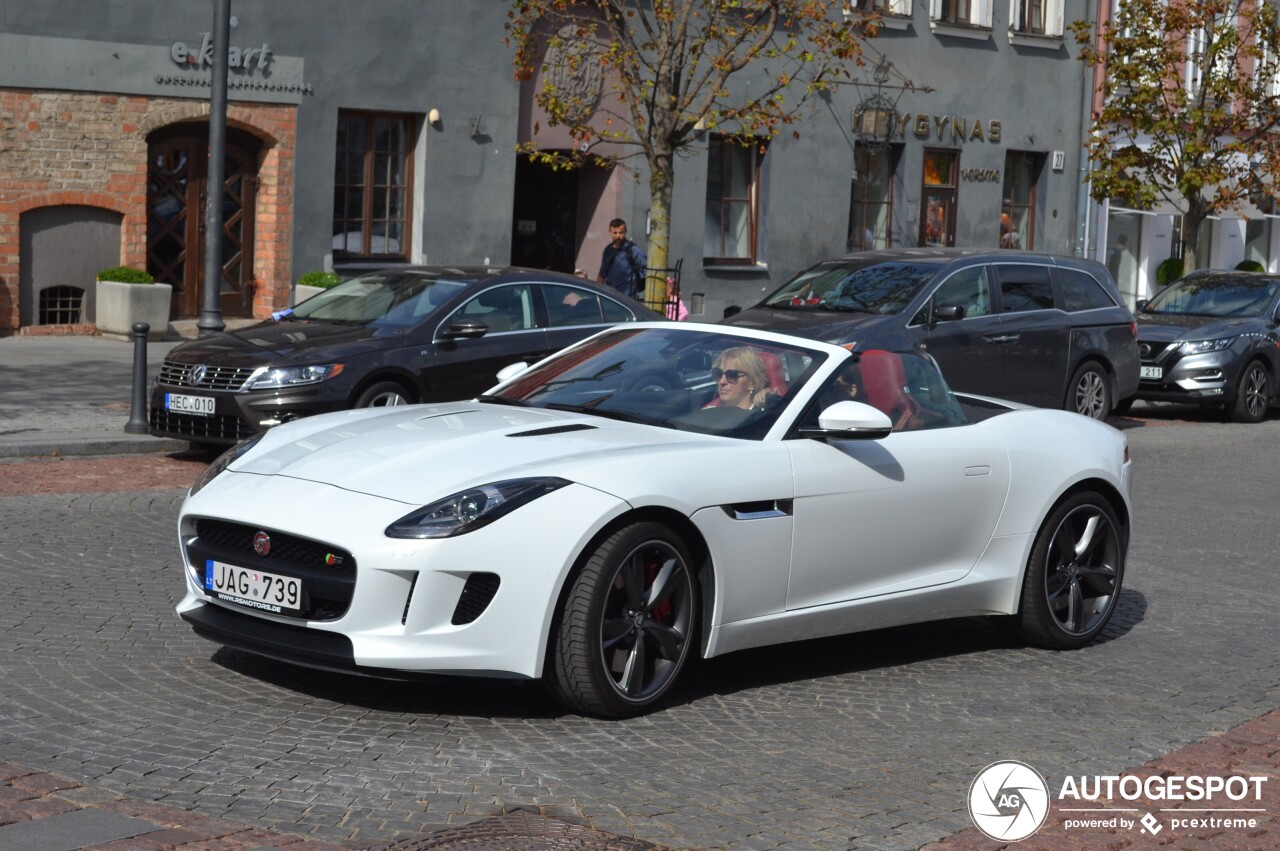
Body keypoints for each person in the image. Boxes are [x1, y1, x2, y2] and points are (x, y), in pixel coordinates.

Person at [597, 218, 646, 300]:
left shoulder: (633, 250)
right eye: (615, 233)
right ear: (610, 232)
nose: (618, 236)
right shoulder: (608, 250)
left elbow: (646, 269)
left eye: (621, 233)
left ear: (625, 232)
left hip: (627, 297)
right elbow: (602, 275)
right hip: (610, 295)